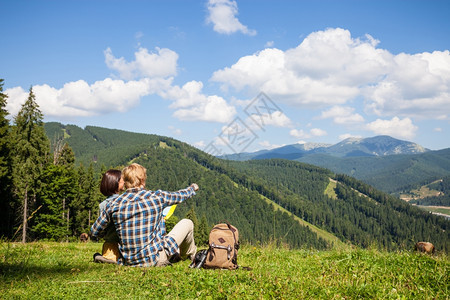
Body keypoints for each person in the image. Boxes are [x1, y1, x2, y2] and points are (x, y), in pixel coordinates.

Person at [90, 163, 199, 267]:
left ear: (125, 181)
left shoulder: (113, 204)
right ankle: (191, 256)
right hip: (153, 258)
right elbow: (180, 195)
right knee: (187, 223)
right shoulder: (157, 197)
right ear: (142, 180)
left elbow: (94, 231)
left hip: (127, 260)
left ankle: (184, 255)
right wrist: (192, 188)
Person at [93, 169, 124, 264]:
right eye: (122, 180)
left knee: (97, 255)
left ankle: (101, 257)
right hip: (123, 245)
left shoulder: (103, 205)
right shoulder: (124, 201)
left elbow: (101, 229)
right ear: (116, 183)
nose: (124, 181)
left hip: (109, 246)